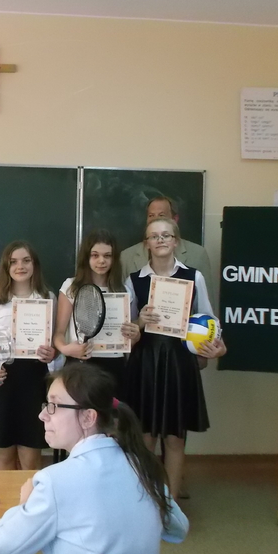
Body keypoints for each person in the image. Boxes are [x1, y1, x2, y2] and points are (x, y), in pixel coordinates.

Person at [0, 364, 189, 554]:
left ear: (88, 417)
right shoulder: (142, 466)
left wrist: (24, 504)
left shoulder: (54, 482)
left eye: (54, 406)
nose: (42, 416)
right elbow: (179, 529)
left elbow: (3, 549)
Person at [124, 217, 226, 498]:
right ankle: (145, 504)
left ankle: (171, 509)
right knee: (145, 439)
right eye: (154, 236)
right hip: (145, 365)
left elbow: (210, 320)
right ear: (146, 244)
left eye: (166, 235)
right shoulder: (134, 280)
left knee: (175, 439)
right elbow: (126, 331)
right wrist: (140, 321)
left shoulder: (194, 277)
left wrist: (218, 347)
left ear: (176, 241)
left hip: (179, 366)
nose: (160, 240)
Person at [0, 241, 56, 470]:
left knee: (31, 456)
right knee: (4, 454)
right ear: (6, 267)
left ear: (34, 265)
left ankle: (31, 494)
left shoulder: (47, 297)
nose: (20, 266)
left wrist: (52, 354)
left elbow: (56, 341)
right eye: (14, 262)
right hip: (2, 379)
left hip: (34, 381)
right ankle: (5, 496)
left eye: (26, 260)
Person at [53, 229, 140, 391]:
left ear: (114, 259)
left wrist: (134, 336)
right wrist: (66, 349)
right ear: (86, 257)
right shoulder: (71, 287)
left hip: (114, 365)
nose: (101, 261)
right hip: (80, 363)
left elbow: (129, 339)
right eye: (95, 255)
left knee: (111, 407)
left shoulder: (124, 291)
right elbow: (58, 333)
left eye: (107, 256)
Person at [120, 196, 216, 307]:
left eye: (161, 215)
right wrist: (140, 317)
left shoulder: (198, 255)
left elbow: (207, 308)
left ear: (175, 219)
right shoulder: (126, 257)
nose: (155, 219)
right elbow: (125, 312)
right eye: (151, 215)